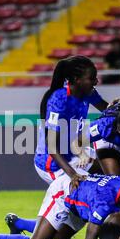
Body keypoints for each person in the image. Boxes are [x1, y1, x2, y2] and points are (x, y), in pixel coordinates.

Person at [35, 55, 109, 187]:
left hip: (74, 151)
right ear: (77, 80)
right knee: (85, 188)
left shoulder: (89, 93)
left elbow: (107, 110)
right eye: (91, 78)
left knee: (119, 170)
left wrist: (119, 106)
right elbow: (51, 145)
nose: (96, 82)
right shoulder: (59, 99)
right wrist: (73, 174)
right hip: (53, 164)